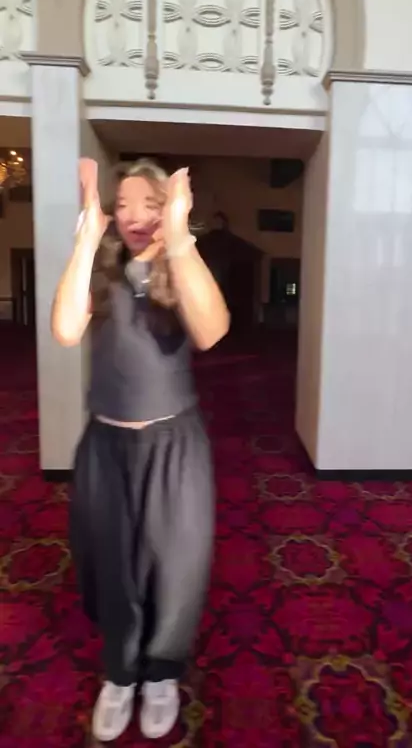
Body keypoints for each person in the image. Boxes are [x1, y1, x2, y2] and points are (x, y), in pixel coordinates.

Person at [51, 158, 230, 742]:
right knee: (113, 565)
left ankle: (161, 674)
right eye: (123, 204)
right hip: (106, 445)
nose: (134, 216)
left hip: (174, 445)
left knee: (174, 565)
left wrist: (177, 235)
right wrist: (86, 237)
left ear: (170, 209)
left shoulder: (181, 267)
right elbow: (65, 330)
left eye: (149, 204)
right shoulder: (102, 269)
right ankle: (121, 673)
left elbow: (212, 331)